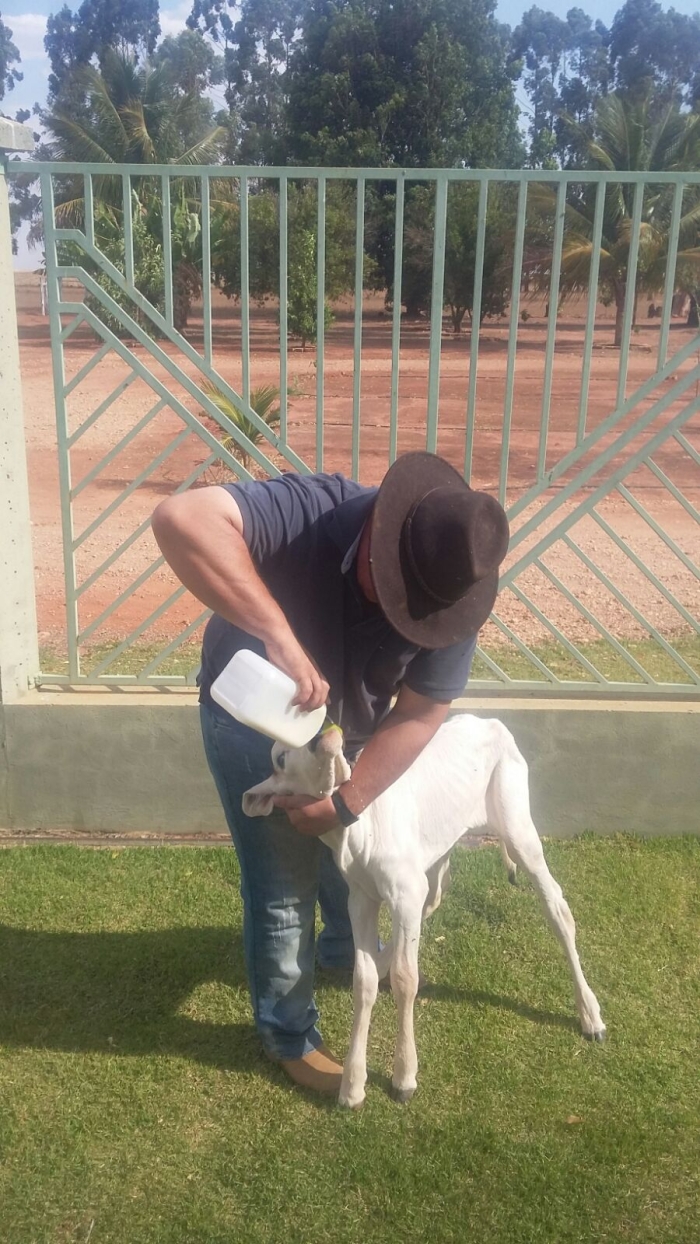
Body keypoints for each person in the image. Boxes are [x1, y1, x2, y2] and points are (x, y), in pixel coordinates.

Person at [152, 450, 509, 1094]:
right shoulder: (312, 510)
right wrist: (278, 635)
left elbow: (423, 711)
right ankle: (289, 1034)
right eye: (397, 595)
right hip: (255, 719)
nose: (404, 614)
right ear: (377, 530)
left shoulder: (454, 585)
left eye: (416, 608)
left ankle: (346, 953)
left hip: (351, 731)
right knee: (284, 888)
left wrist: (346, 803)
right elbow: (180, 519)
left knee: (346, 852)